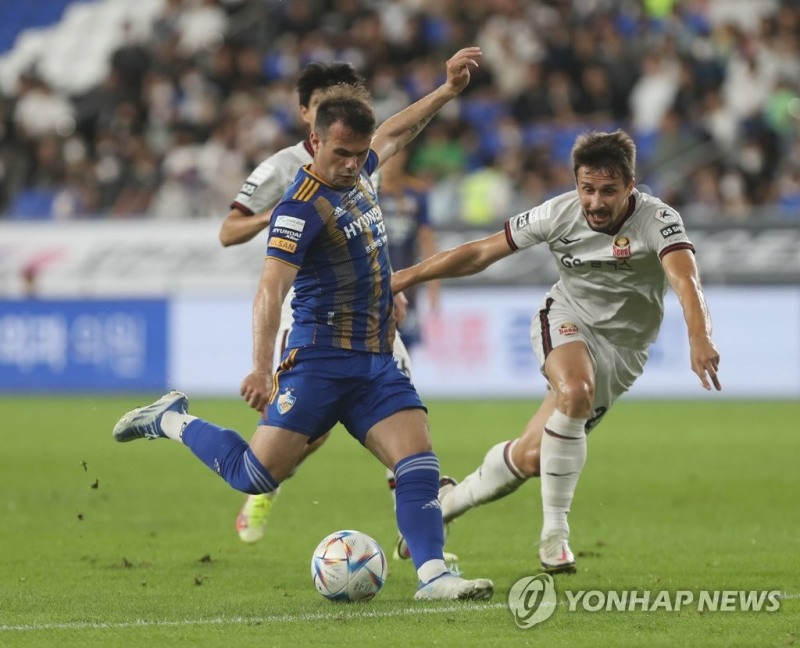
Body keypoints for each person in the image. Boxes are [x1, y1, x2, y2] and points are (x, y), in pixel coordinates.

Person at [113, 46, 494, 601]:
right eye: (339, 152)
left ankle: (434, 576)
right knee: (255, 477)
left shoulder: (362, 167)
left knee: (418, 461)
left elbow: (394, 132)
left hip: (374, 360)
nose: (350, 162)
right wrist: (260, 367)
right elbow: (271, 289)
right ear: (314, 142)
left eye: (357, 153)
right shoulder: (299, 209)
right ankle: (171, 419)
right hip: (317, 362)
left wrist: (448, 91)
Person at [391, 129, 722, 574]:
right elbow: (480, 253)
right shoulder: (557, 214)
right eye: (587, 189)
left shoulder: (658, 220)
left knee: (531, 457)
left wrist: (700, 337)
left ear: (630, 186)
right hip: (565, 318)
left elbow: (686, 281)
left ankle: (448, 502)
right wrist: (403, 277)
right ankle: (554, 535)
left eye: (608, 191)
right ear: (576, 185)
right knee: (576, 388)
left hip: (623, 352)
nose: (596, 202)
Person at [219, 61, 416, 545]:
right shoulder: (284, 168)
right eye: (324, 104)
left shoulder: (358, 154)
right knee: (316, 430)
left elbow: (368, 228)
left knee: (401, 405)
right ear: (306, 113)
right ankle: (265, 483)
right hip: (312, 312)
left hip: (369, 309)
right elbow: (229, 231)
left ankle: (415, 509)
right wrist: (286, 213)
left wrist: (388, 284)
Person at [380, 146, 440, 353]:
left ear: (404, 156)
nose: (390, 161)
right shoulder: (366, 192)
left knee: (405, 350)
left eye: (395, 155)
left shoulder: (416, 193)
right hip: (373, 283)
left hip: (407, 284)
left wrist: (434, 287)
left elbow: (427, 242)